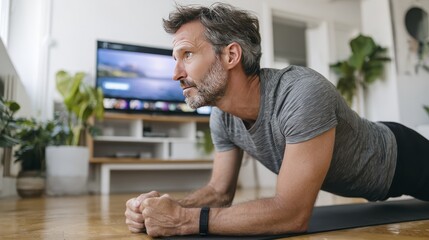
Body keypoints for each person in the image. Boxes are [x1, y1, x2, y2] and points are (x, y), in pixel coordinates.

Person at [125, 2, 429, 237]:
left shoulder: (302, 93)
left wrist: (182, 221)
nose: (176, 73)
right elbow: (219, 191)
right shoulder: (222, 116)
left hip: (399, 157)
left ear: (231, 56)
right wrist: (162, 209)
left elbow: (292, 214)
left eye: (187, 55)